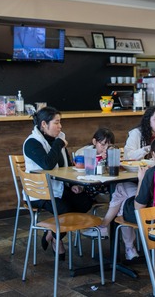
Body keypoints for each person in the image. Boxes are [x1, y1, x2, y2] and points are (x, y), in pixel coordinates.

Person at [23, 106, 93, 259]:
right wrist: (58, 143)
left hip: (58, 188)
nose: (60, 126)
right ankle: (57, 240)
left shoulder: (57, 141)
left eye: (60, 123)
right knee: (65, 209)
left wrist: (72, 184)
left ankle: (52, 233)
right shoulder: (32, 143)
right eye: (56, 123)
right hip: (39, 192)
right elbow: (47, 164)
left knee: (85, 202)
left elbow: (66, 166)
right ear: (43, 124)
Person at [74, 127, 116, 201]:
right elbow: (85, 167)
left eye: (109, 146)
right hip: (90, 186)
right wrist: (100, 157)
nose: (105, 148)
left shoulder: (110, 152)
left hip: (106, 183)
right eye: (103, 144)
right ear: (94, 141)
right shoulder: (84, 152)